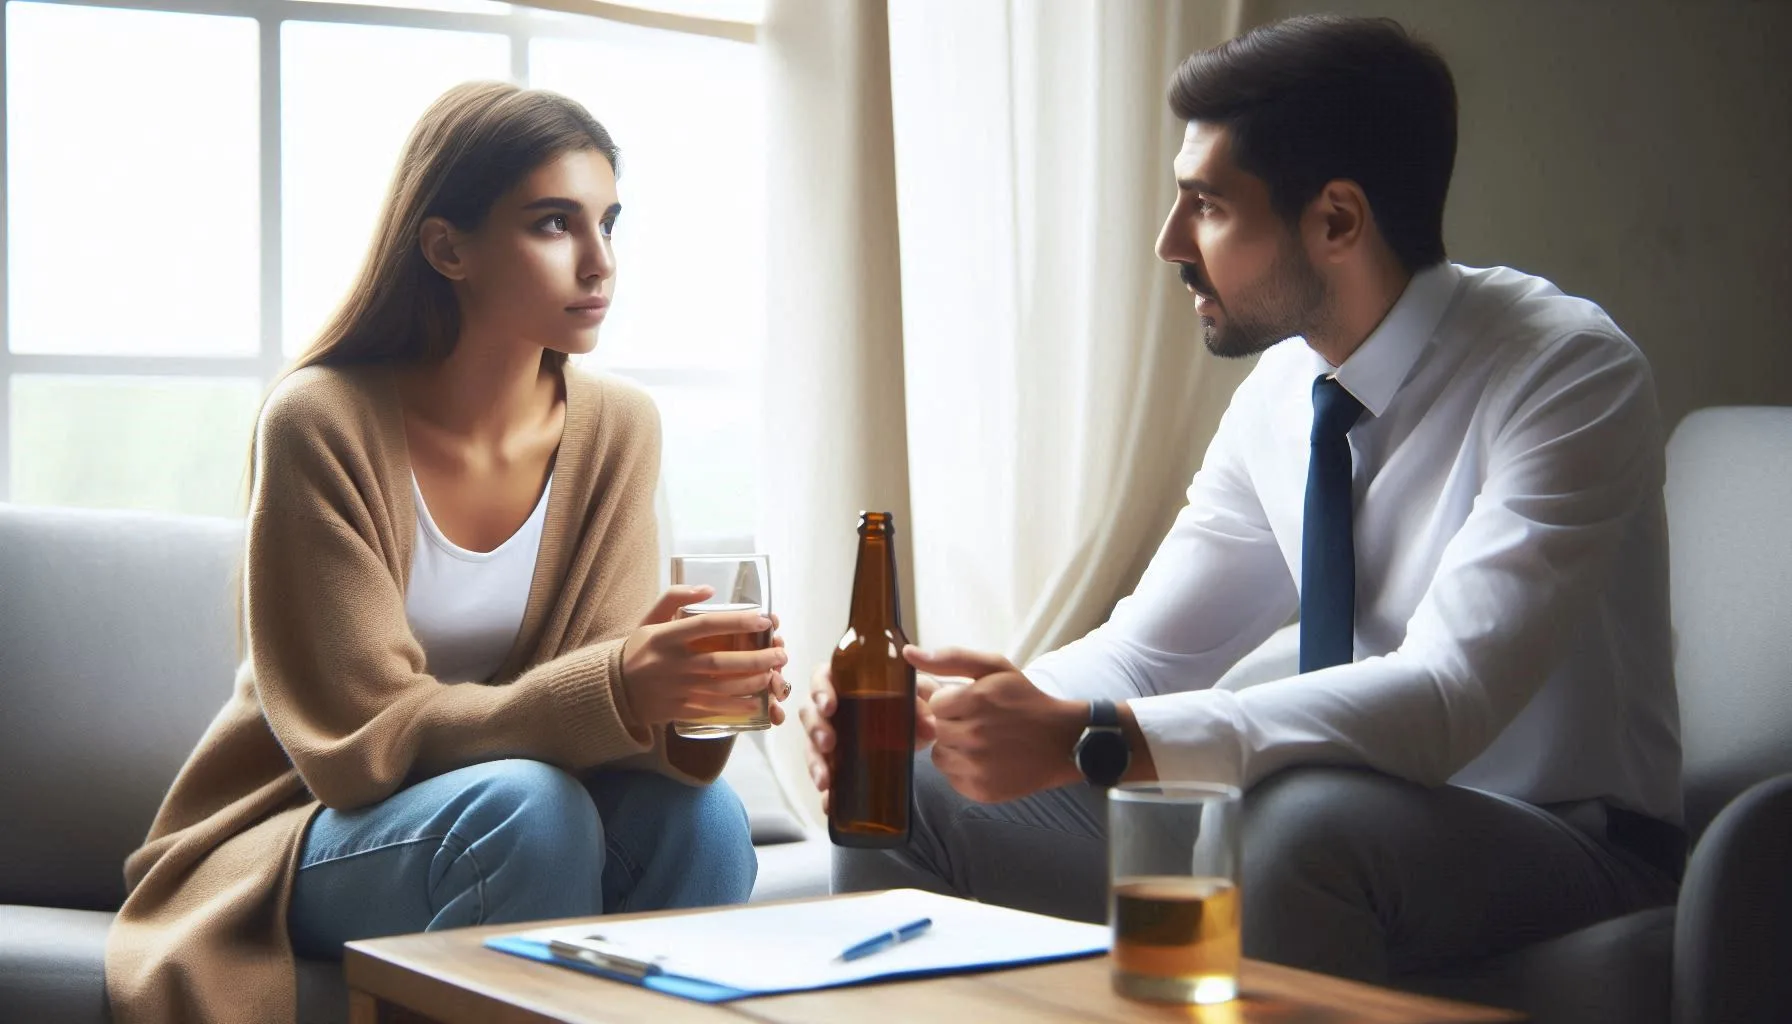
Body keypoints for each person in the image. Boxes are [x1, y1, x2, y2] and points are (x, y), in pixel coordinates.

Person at [803, 14, 1682, 988]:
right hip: (1323, 823)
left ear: (1336, 219)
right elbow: (1151, 650)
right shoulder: (1279, 395)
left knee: (1298, 819)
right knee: (905, 787)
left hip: (1564, 839)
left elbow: (1446, 694)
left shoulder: (1562, 370)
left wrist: (1090, 739)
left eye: (1206, 205)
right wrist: (963, 717)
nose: (1167, 241)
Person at [105, 82, 791, 1023]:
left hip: (515, 817)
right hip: (305, 833)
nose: (599, 263)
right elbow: (363, 748)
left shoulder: (620, 428)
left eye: (608, 222)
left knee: (701, 818)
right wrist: (616, 689)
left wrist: (680, 707)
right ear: (447, 248)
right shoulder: (322, 421)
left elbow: (598, 714)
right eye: (555, 224)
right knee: (526, 806)